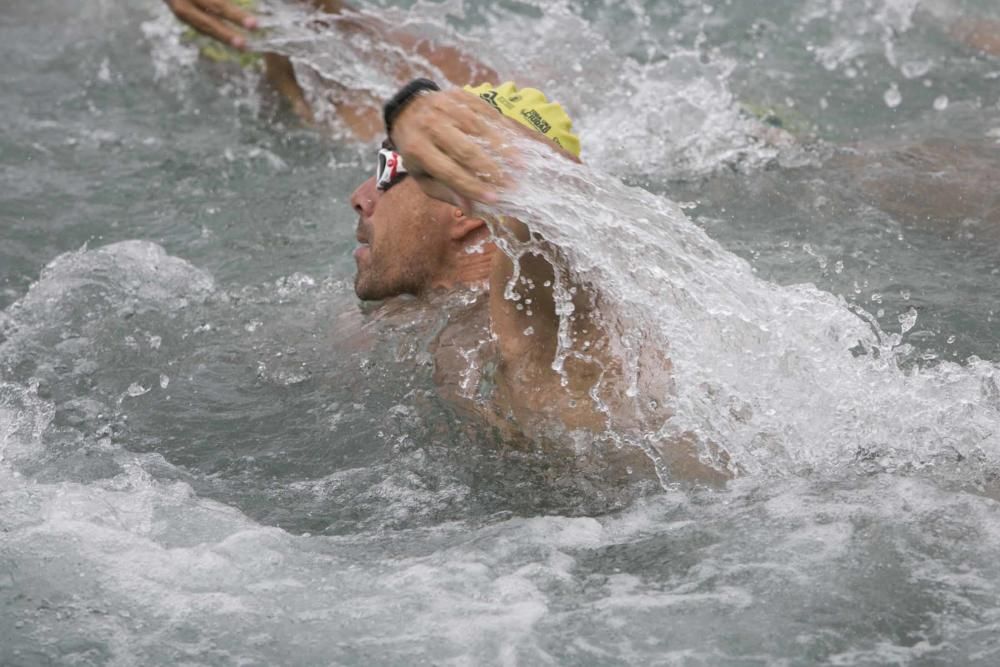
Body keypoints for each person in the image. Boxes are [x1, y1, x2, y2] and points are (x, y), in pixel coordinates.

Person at [163, 0, 727, 485]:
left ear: (466, 210)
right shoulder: (403, 314)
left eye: (390, 168)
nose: (360, 196)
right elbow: (314, 61)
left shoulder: (544, 325)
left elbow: (551, 224)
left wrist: (431, 122)